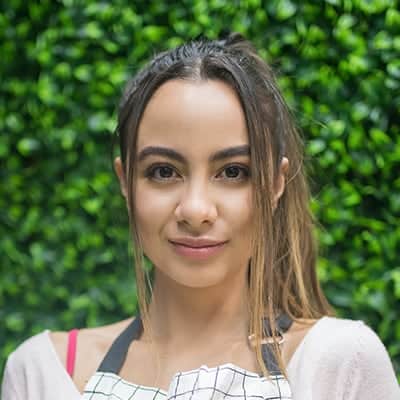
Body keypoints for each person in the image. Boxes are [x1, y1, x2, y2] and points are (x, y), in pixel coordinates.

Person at [1, 33, 399, 400]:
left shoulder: (338, 364)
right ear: (126, 181)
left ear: (276, 183)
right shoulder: (43, 373)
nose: (195, 210)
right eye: (163, 171)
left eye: (234, 172)